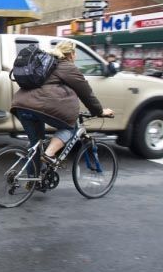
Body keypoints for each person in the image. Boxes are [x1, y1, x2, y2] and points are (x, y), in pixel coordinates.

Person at [11, 40, 114, 185]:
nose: (76, 56)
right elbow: (86, 93)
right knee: (70, 127)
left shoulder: (44, 63)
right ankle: (48, 154)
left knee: (36, 144)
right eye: (75, 53)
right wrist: (99, 111)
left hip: (21, 106)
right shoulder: (67, 67)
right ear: (71, 54)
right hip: (38, 107)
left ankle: (33, 181)